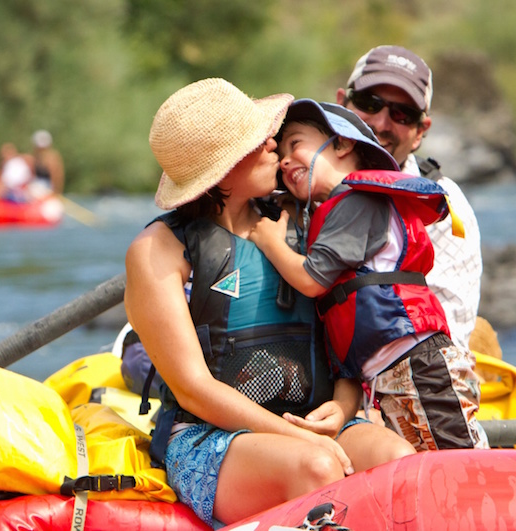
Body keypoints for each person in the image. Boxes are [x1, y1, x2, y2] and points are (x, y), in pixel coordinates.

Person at [124, 78, 414, 528]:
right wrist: (294, 435)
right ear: (220, 169)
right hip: (207, 438)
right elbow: (193, 389)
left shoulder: (301, 223)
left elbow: (344, 342)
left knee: (396, 458)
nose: (274, 143)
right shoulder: (156, 251)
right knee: (315, 468)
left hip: (313, 422)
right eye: (257, 140)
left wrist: (341, 406)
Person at [248, 97, 489, 454]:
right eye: (280, 153)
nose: (284, 160)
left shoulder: (357, 201)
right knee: (427, 463)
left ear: (342, 145)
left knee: (455, 460)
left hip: (418, 363)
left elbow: (313, 279)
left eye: (296, 144)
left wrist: (270, 243)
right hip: (391, 371)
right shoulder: (334, 209)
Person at [335, 45, 482, 351]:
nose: (380, 124)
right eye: (368, 103)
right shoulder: (294, 178)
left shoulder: (445, 207)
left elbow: (446, 339)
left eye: (402, 114)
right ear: (341, 104)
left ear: (420, 131)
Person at [30, 130, 65, 195]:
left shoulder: (52, 158)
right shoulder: (35, 158)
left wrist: (55, 193)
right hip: (38, 189)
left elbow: (57, 178)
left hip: (47, 190)